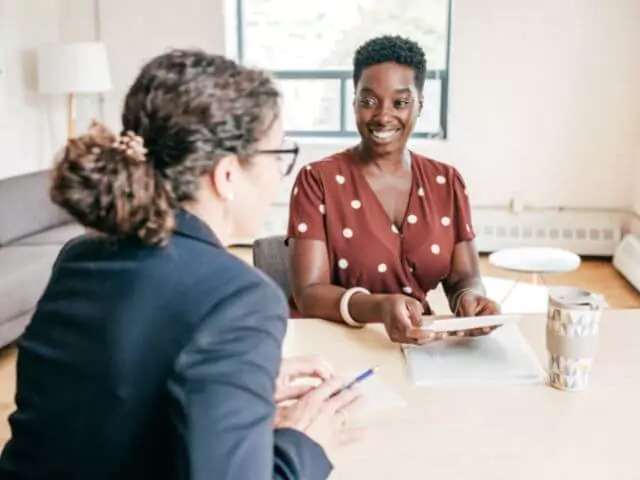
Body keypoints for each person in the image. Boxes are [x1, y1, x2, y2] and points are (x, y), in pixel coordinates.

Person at [0, 49, 363, 480]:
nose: (280, 175)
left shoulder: (79, 256)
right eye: (278, 155)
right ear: (227, 175)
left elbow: (101, 403)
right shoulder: (241, 297)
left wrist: (242, 386)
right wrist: (305, 441)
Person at [287, 35, 500, 345]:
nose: (383, 116)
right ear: (354, 102)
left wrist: (470, 299)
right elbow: (308, 293)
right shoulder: (318, 180)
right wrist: (379, 307)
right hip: (336, 344)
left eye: (400, 102)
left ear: (419, 105)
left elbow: (463, 277)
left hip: (417, 343)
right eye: (368, 101)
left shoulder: (447, 181)